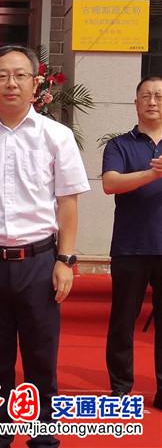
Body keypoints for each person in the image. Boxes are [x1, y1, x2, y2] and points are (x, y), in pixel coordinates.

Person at [0, 45, 90, 448]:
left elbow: (68, 202)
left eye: (19, 75)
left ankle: (44, 440)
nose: (10, 83)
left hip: (39, 262)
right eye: (1, 76)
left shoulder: (56, 136)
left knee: (41, 359)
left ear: (35, 83)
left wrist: (65, 259)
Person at [102, 75, 162, 410]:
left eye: (159, 96)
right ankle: (121, 388)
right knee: (122, 321)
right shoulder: (119, 145)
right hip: (130, 246)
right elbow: (110, 183)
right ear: (136, 103)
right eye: (146, 96)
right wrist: (153, 174)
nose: (152, 102)